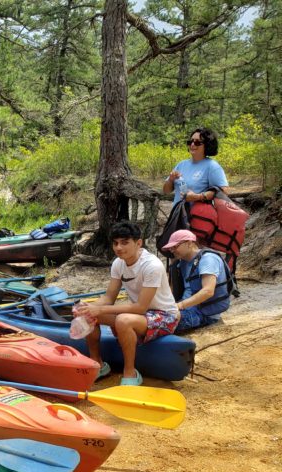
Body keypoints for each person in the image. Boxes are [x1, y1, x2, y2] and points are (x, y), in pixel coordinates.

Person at [74, 221, 180, 386]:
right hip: (140, 315)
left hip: (165, 316)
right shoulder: (118, 263)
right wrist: (88, 308)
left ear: (138, 243)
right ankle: (97, 364)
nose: (119, 248)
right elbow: (109, 297)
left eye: (125, 242)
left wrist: (100, 309)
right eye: (115, 243)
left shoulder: (152, 266)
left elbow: (140, 307)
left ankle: (130, 372)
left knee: (123, 320)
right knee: (89, 314)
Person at [163, 229, 233, 333]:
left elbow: (208, 291)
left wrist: (179, 306)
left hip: (203, 313)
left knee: (156, 324)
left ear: (189, 243)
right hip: (187, 307)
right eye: (170, 248)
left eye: (175, 246)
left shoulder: (208, 259)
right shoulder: (182, 262)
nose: (172, 250)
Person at [163, 127, 229, 211]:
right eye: (190, 142)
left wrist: (198, 197)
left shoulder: (212, 166)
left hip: (199, 219)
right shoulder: (181, 164)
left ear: (207, 145)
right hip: (178, 216)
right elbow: (166, 191)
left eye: (197, 142)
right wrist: (170, 180)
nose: (192, 144)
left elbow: (224, 191)